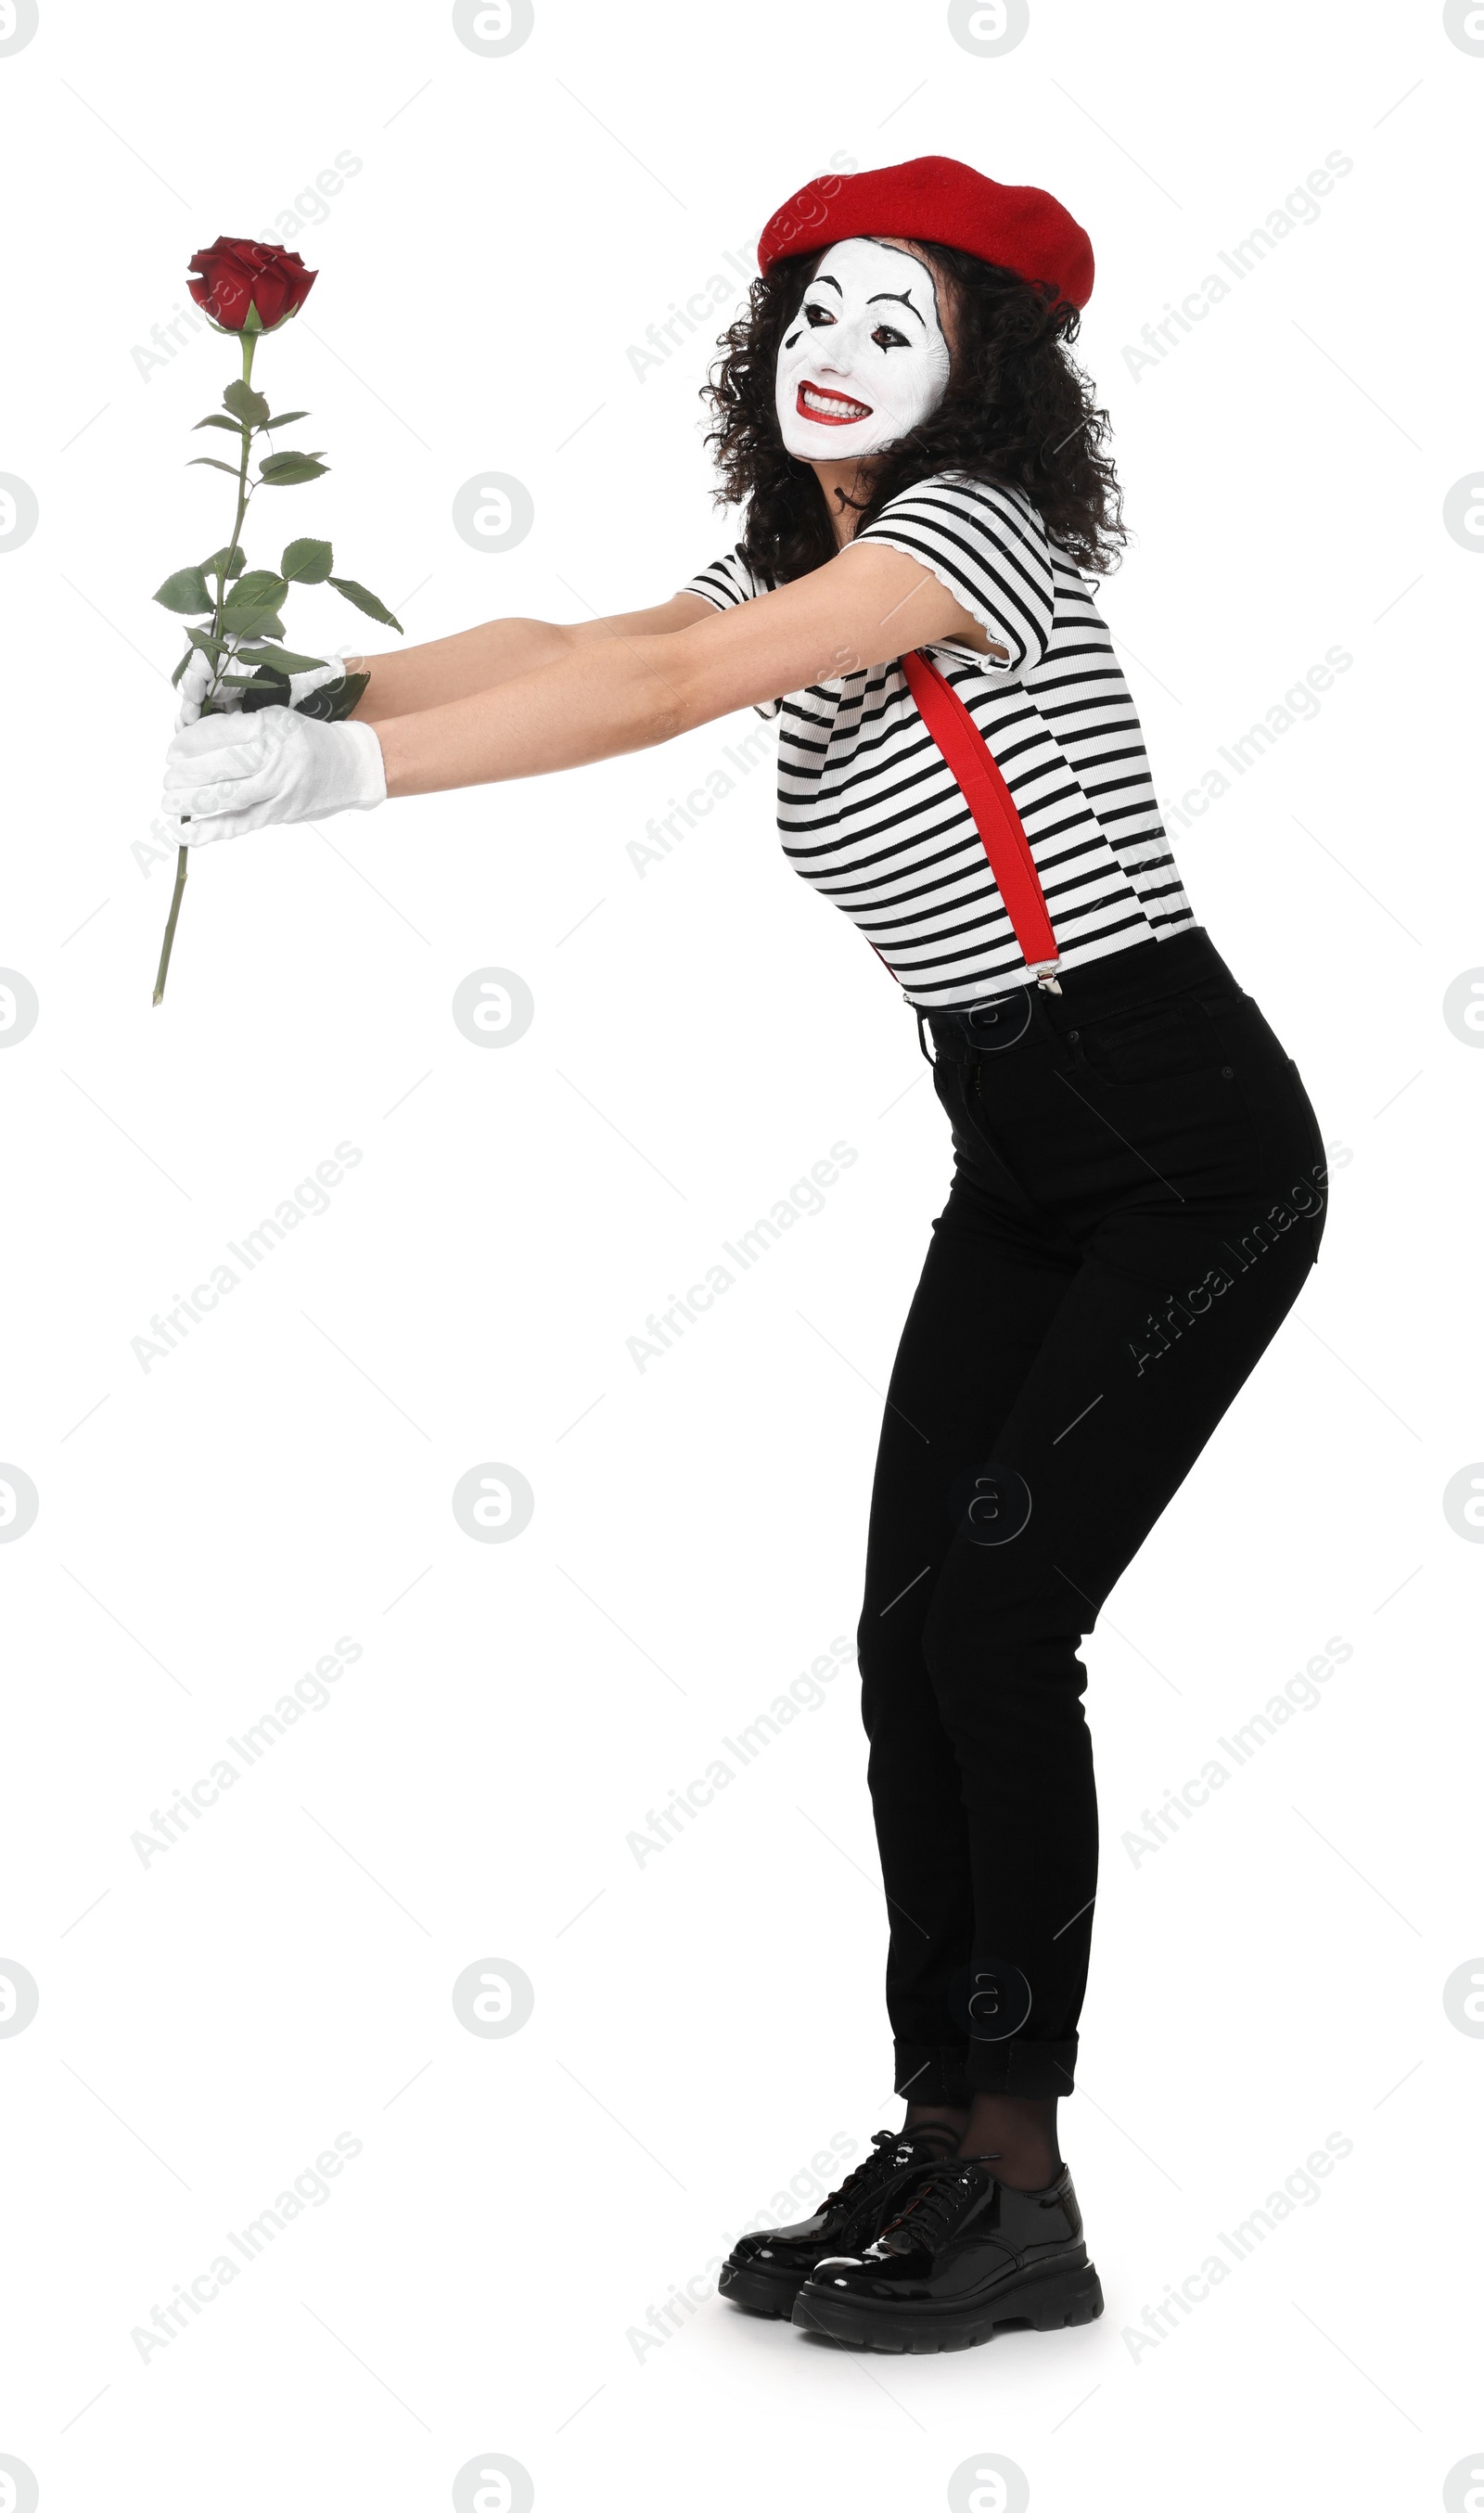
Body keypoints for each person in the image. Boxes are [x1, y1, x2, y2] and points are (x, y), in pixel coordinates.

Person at [162, 154, 1329, 2355]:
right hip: (1016, 1144)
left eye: (894, 323)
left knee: (995, 1630)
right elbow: (607, 640)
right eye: (810, 309)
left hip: (1181, 1142)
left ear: (986, 374)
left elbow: (684, 693)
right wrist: (330, 691)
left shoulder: (963, 538)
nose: (833, 351)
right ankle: (936, 2119)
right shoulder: (807, 544)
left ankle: (1022, 2187)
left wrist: (352, 797)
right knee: (908, 1639)